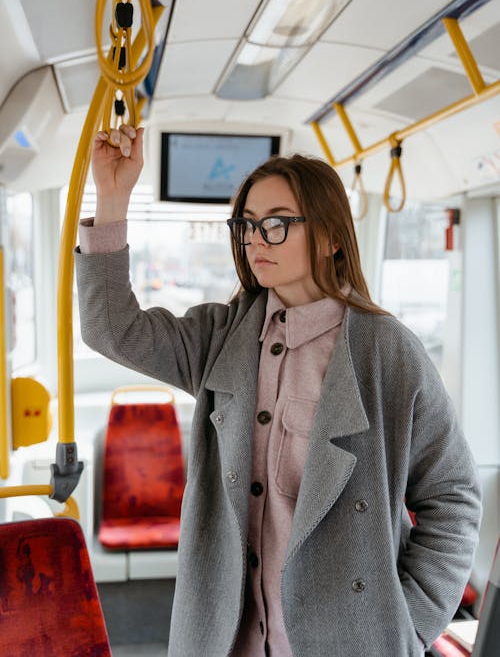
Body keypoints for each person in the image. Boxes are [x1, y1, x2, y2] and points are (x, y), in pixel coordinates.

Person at [75, 125, 482, 657]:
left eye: (277, 224)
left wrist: (406, 626)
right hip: (227, 639)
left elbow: (452, 497)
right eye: (246, 225)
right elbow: (113, 329)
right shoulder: (220, 337)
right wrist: (112, 196)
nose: (254, 240)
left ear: (333, 236)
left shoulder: (388, 353)